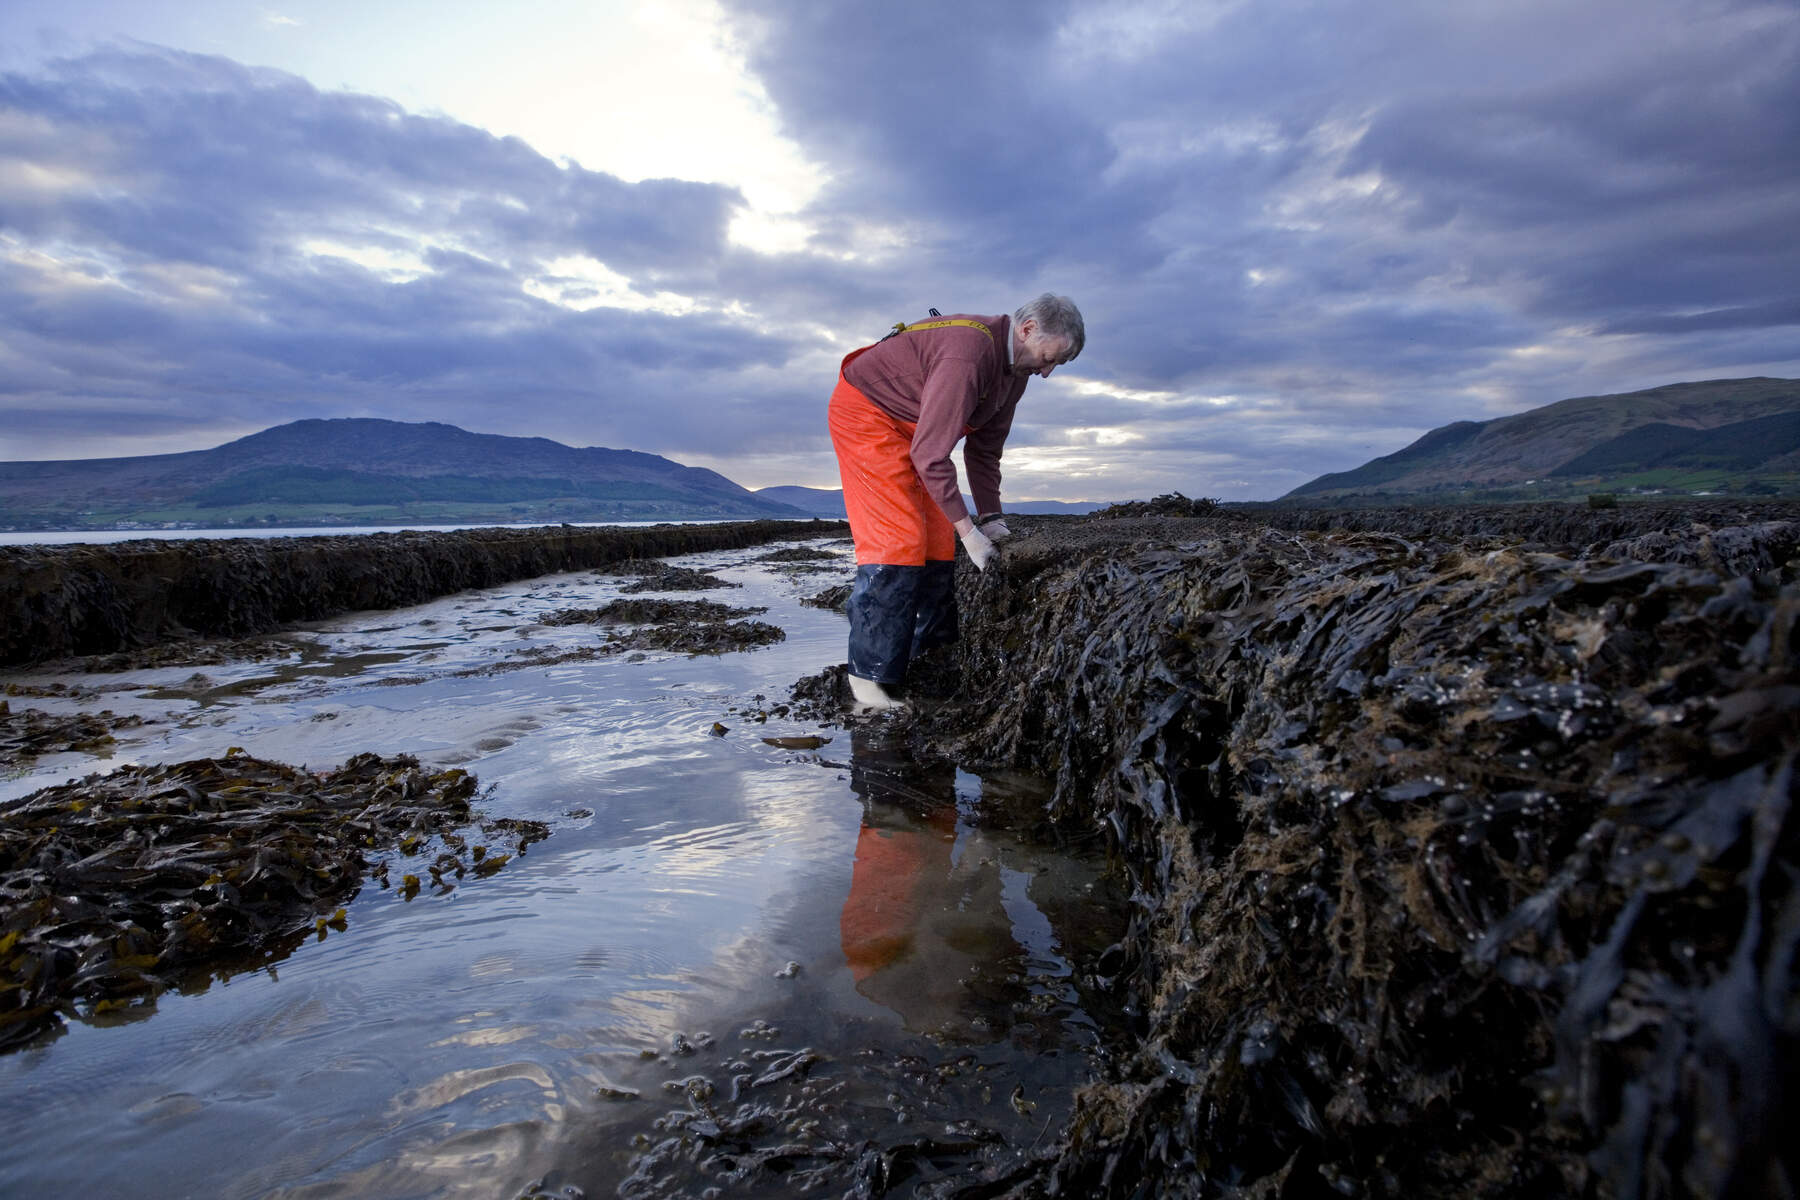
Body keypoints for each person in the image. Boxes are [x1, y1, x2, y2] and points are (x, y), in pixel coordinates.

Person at [828, 292, 1085, 711]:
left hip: (916, 431)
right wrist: (969, 533)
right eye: (1050, 357)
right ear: (1027, 330)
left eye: (1059, 364)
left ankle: (928, 659)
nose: (1049, 372)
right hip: (867, 415)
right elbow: (931, 455)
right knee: (898, 543)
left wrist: (991, 519)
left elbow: (984, 451)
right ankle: (869, 684)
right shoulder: (968, 355)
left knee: (935, 544)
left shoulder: (1015, 372)